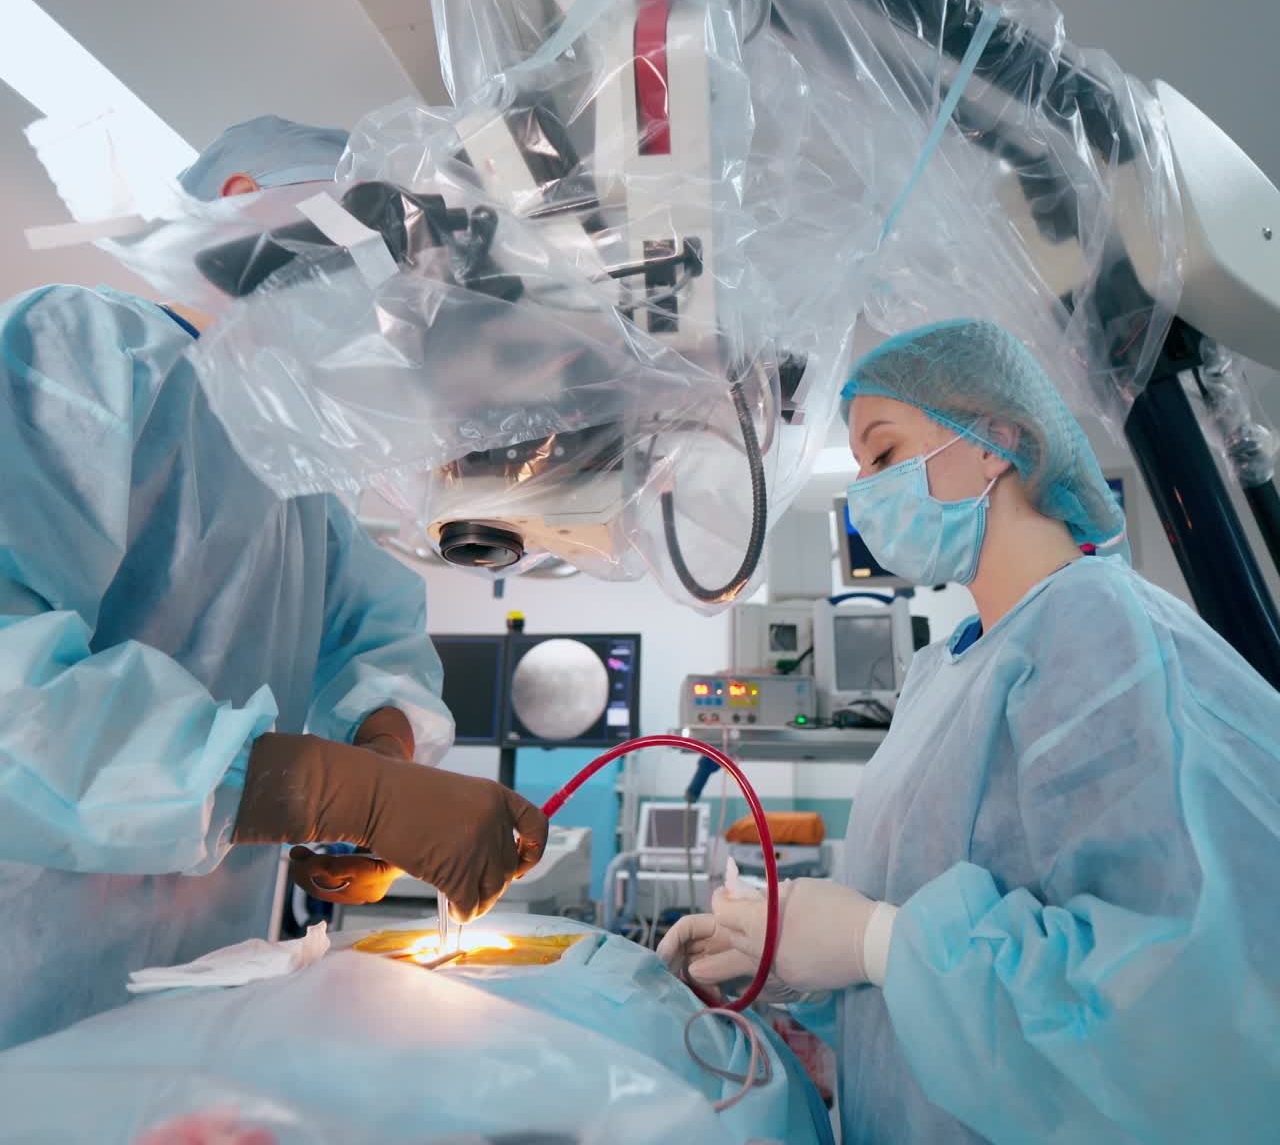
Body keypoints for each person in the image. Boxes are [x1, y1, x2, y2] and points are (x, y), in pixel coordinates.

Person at [659, 318, 1280, 1143]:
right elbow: (915, 958)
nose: (865, 492)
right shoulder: (943, 672)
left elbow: (1175, 1000)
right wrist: (790, 951)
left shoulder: (1097, 632)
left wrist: (877, 943)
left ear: (997, 441)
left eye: (882, 455)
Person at [0, 118, 547, 1050]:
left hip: (201, 987)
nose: (379, 293)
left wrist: (381, 758)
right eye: (356, 244)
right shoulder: (82, 353)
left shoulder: (305, 481)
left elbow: (371, 648)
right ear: (240, 201)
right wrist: (324, 790)